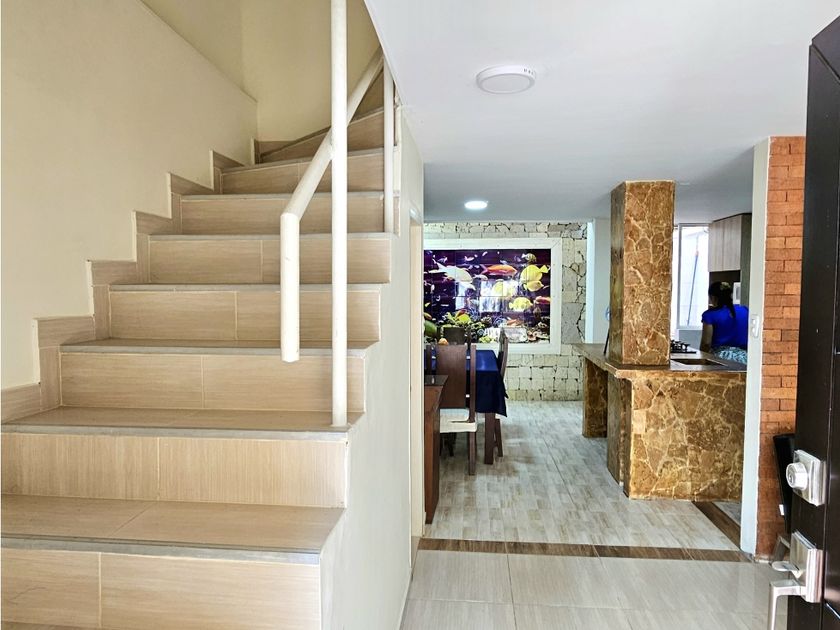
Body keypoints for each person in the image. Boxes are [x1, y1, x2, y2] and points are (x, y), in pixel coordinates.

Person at [700, 281, 749, 363]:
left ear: (713, 297)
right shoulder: (745, 310)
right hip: (743, 358)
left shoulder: (709, 315)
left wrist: (702, 359)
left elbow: (706, 343)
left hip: (719, 358)